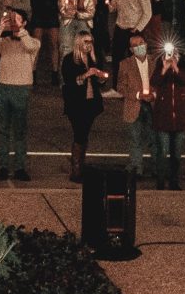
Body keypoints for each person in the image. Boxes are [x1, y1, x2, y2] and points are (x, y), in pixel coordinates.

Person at [0, 6, 41, 185]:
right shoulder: (5, 41)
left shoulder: (32, 41)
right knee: (2, 129)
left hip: (21, 88)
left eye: (18, 19)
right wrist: (1, 30)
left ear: (25, 22)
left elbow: (30, 46)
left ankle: (19, 167)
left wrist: (20, 30)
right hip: (2, 87)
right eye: (12, 19)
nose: (14, 22)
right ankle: (3, 166)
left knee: (20, 130)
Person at [148, 40, 185, 191]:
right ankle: (160, 181)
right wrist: (164, 68)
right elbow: (154, 81)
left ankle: (174, 181)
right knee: (162, 151)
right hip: (164, 117)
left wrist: (175, 67)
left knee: (177, 153)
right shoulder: (160, 65)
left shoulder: (184, 65)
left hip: (180, 117)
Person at [60, 29, 106, 181]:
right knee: (79, 133)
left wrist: (100, 76)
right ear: (79, 42)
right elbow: (71, 81)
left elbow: (102, 80)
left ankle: (80, 166)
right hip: (76, 103)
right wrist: (87, 74)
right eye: (85, 41)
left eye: (90, 41)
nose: (89, 45)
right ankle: (76, 169)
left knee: (84, 134)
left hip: (91, 103)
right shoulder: (69, 60)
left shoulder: (94, 58)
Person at [115, 34, 154, 181]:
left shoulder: (155, 62)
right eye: (136, 45)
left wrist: (153, 95)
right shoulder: (125, 64)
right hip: (134, 103)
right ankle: (137, 167)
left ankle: (156, 167)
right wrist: (138, 95)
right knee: (135, 137)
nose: (140, 46)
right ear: (131, 49)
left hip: (152, 104)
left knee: (153, 137)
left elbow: (160, 82)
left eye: (142, 43)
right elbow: (120, 87)